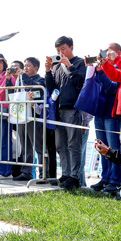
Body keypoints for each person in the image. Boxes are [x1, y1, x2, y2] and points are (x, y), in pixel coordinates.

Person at [45, 36, 86, 189]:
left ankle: (75, 177)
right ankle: (66, 173)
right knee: (60, 145)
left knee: (73, 143)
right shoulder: (55, 67)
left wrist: (69, 66)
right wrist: (48, 71)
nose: (60, 53)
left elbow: (80, 83)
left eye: (63, 49)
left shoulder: (80, 63)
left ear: (71, 47)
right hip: (58, 110)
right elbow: (50, 88)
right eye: (58, 50)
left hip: (72, 108)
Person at [91, 45, 121, 193]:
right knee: (101, 147)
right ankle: (105, 178)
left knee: (113, 147)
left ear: (118, 53)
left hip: (112, 114)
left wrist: (101, 71)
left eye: (109, 51)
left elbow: (112, 88)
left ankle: (115, 180)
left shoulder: (120, 68)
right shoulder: (100, 67)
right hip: (99, 113)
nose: (106, 53)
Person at [14, 57, 46, 181]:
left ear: (36, 68)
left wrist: (24, 77)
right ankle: (26, 172)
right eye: (25, 66)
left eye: (28, 66)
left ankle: (43, 173)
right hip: (22, 116)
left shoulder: (40, 80)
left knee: (38, 146)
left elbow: (38, 91)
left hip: (34, 117)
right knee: (25, 146)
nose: (25, 68)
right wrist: (8, 79)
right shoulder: (20, 80)